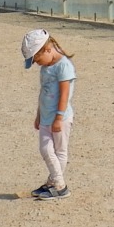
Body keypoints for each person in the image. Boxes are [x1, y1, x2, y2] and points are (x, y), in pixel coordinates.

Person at [21, 28, 76, 200]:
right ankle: (54, 183)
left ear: (47, 49)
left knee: (59, 151)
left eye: (37, 59)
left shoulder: (64, 66)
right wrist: (38, 115)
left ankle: (59, 186)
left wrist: (59, 118)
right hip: (45, 117)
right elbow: (43, 93)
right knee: (45, 149)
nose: (37, 64)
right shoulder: (46, 67)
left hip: (60, 118)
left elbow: (65, 94)